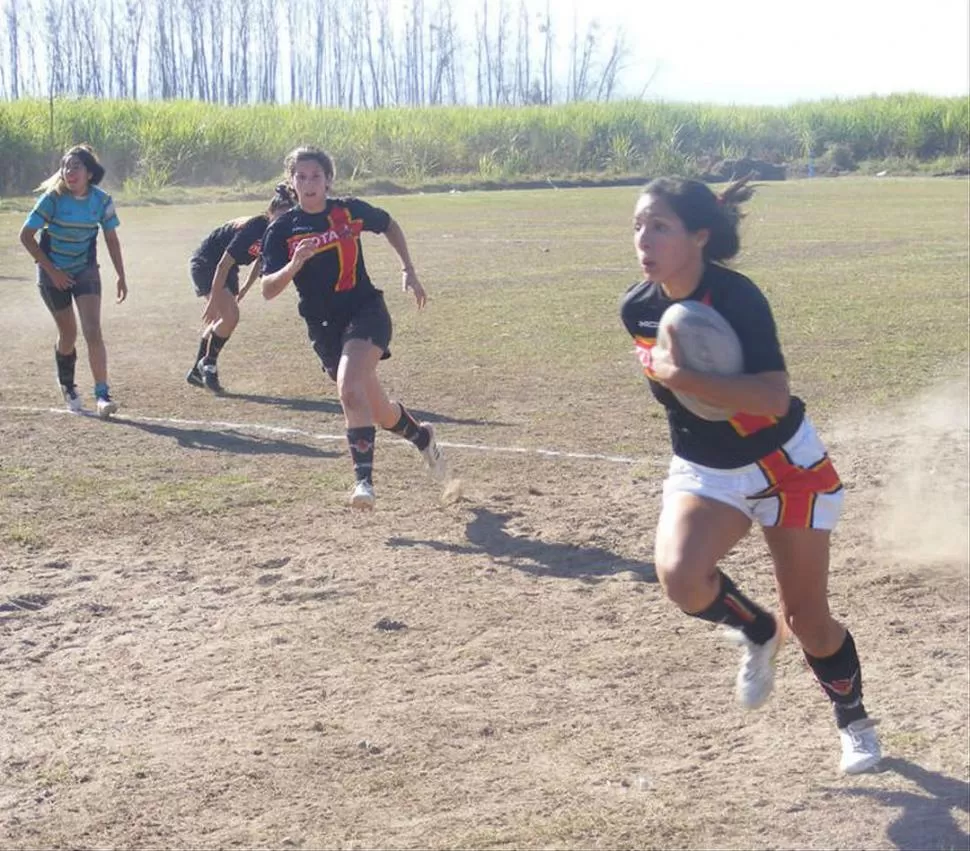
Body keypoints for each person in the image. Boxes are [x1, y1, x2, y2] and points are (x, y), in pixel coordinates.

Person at [620, 176, 882, 775]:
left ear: (698, 236)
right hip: (706, 468)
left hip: (786, 466)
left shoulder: (737, 298)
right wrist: (680, 381)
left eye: (659, 226)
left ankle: (856, 725)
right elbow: (689, 409)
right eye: (637, 225)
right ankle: (757, 630)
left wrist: (681, 375)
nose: (643, 238)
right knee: (682, 577)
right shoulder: (637, 308)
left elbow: (770, 395)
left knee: (810, 622)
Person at [260, 146, 447, 509]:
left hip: (365, 310)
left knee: (348, 389)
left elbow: (389, 224)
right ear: (292, 182)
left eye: (316, 176)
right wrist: (294, 264)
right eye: (301, 177)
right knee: (379, 411)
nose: (309, 183)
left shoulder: (348, 211)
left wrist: (408, 268)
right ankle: (422, 438)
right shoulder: (282, 230)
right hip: (324, 328)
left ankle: (364, 484)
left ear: (329, 180)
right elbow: (268, 289)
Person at [19, 144, 128, 418]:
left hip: (84, 269)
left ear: (89, 173)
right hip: (51, 271)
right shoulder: (52, 199)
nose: (69, 171)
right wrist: (53, 270)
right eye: (65, 166)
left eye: (75, 166)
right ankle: (67, 385)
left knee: (93, 330)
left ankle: (102, 395)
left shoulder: (102, 201)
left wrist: (121, 275)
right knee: (69, 334)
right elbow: (26, 236)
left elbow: (111, 239)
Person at [185, 184, 296, 393]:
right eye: (280, 217)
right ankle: (208, 363)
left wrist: (245, 286)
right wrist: (212, 301)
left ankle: (197, 371)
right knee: (230, 316)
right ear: (269, 213)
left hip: (229, 268)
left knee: (225, 319)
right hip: (207, 263)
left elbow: (260, 258)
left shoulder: (277, 232)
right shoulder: (255, 227)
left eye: (288, 218)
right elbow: (222, 264)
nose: (284, 222)